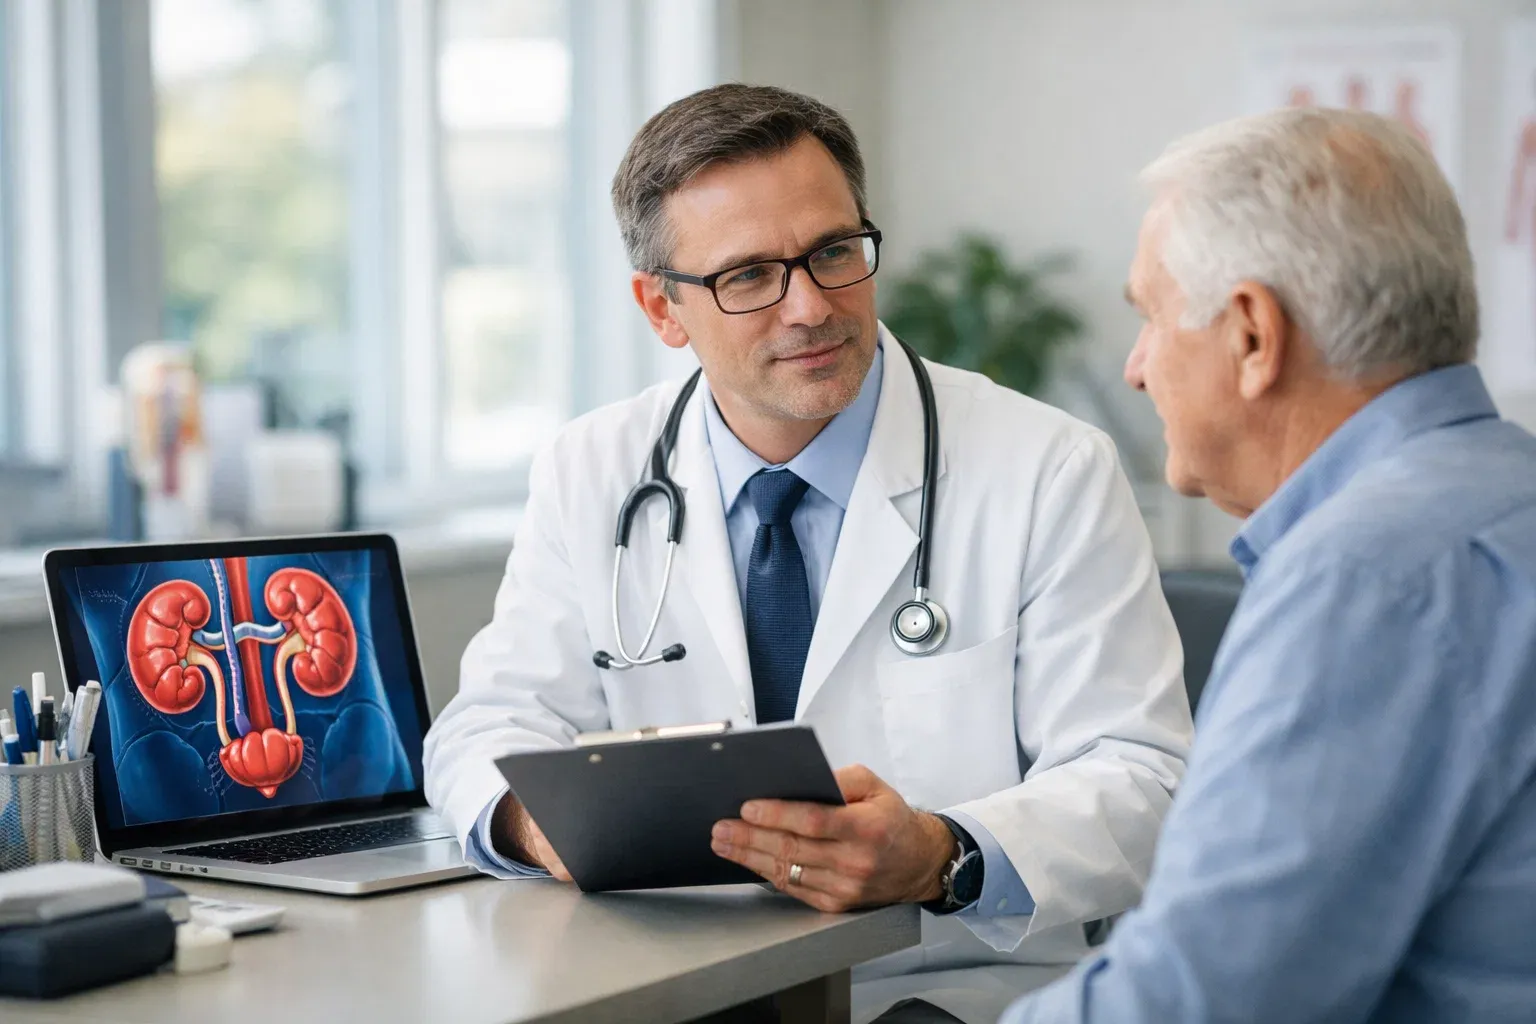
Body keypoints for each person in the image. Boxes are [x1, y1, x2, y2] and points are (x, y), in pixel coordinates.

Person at [424, 83, 1192, 1024]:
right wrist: (533, 822)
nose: (809, 307)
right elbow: (485, 726)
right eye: (748, 275)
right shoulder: (594, 468)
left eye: (834, 252)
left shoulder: (1046, 468)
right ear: (662, 309)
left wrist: (944, 853)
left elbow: (1144, 777)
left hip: (938, 986)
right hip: (665, 983)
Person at [1005, 107, 1536, 1023]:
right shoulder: (1508, 491)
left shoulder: (1367, 581)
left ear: (1252, 335)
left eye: (1151, 317)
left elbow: (1203, 999)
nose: (1136, 368)